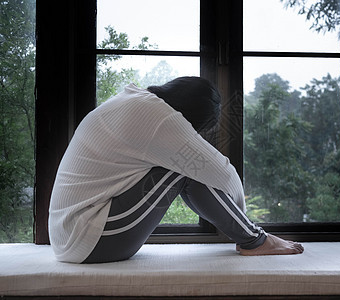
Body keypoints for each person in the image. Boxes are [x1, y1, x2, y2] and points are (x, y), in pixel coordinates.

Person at [48, 76, 304, 263]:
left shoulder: (132, 100)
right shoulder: (162, 118)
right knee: (187, 165)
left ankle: (249, 236)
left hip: (70, 235)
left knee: (187, 163)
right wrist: (240, 221)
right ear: (190, 118)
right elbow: (224, 174)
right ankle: (256, 241)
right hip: (88, 239)